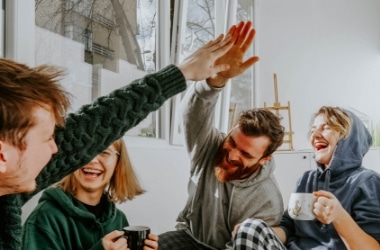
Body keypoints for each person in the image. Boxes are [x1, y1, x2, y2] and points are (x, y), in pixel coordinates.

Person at [0, 21, 244, 249]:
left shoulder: (8, 192)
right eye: (47, 138)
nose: (56, 148)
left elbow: (92, 127)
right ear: (3, 156)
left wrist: (180, 73)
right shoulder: (42, 216)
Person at [158, 21, 285, 249]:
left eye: (246, 153)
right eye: (232, 141)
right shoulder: (210, 147)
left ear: (264, 159)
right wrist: (217, 79)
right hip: (190, 238)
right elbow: (192, 114)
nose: (232, 155)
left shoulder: (267, 199)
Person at [232, 106, 380, 250]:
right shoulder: (306, 180)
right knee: (250, 228)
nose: (315, 135)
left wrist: (339, 216)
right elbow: (288, 228)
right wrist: (255, 232)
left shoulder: (367, 181)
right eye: (313, 130)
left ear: (348, 137)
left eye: (326, 127)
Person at [22, 138, 158, 250]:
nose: (92, 160)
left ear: (118, 163)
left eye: (104, 152)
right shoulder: (44, 218)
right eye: (85, 150)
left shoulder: (119, 219)